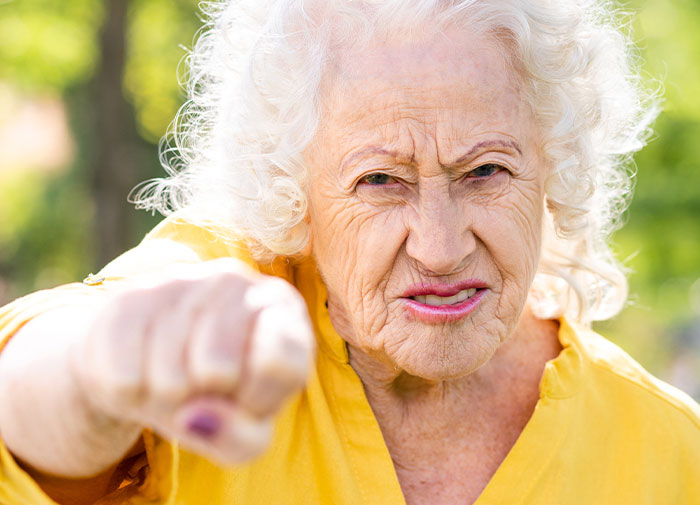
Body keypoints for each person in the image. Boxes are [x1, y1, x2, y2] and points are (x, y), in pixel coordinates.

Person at [1, 0, 699, 504]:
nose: (441, 246)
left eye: (485, 171)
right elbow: (27, 397)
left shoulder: (672, 452)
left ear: (555, 162)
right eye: (380, 181)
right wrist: (104, 365)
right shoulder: (221, 281)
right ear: (291, 192)